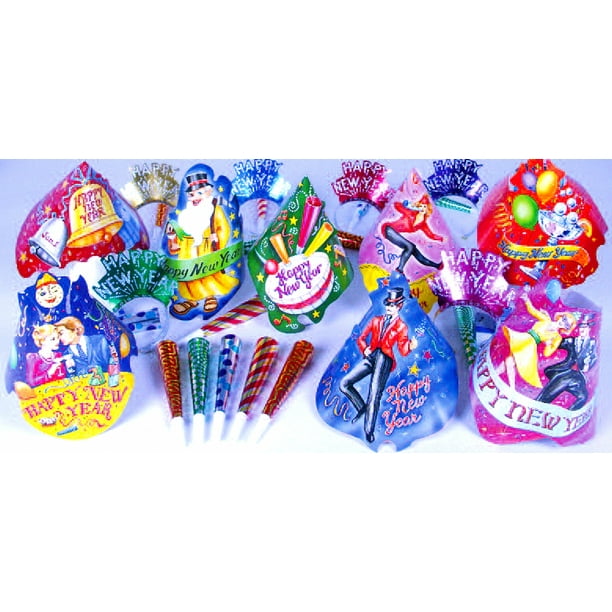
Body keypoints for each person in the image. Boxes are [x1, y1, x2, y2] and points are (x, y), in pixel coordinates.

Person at [340, 287, 417, 443]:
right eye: (388, 304)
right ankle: (362, 408)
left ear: (399, 306)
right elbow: (361, 338)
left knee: (374, 394)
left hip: (385, 359)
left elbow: (402, 350)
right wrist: (365, 349)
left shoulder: (401, 326)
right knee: (344, 383)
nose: (389, 308)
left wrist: (410, 346)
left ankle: (368, 430)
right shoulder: (376, 320)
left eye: (393, 305)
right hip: (372, 355)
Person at [167, 171, 239, 317]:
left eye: (199, 193)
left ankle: (209, 296)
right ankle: (191, 300)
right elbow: (182, 230)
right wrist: (175, 238)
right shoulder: (187, 213)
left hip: (207, 247)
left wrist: (217, 239)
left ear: (208, 192)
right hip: (188, 248)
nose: (195, 197)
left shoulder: (214, 209)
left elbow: (223, 227)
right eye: (191, 194)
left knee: (209, 275)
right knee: (190, 277)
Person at [502, 295, 577, 389]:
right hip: (524, 338)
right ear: (561, 316)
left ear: (567, 328)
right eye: (564, 319)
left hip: (530, 346)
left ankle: (511, 388)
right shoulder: (546, 319)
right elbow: (533, 311)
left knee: (510, 362)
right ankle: (506, 384)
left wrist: (548, 344)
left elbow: (547, 353)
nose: (563, 322)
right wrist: (527, 300)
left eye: (566, 324)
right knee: (509, 361)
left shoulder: (557, 337)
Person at [536, 314, 597, 410]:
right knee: (548, 395)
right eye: (581, 327)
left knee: (583, 397)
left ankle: (568, 414)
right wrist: (548, 336)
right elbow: (557, 343)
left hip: (578, 377)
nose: (582, 329)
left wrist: (588, 365)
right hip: (566, 373)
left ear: (589, 329)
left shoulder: (593, 343)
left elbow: (594, 357)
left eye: (585, 327)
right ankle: (536, 408)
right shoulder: (571, 341)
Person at [380, 194, 443, 276]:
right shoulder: (410, 213)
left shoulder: (422, 224)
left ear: (427, 209)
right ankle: (399, 270)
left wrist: (441, 238)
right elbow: (396, 205)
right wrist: (406, 204)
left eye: (424, 207)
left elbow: (431, 235)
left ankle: (437, 265)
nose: (422, 208)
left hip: (394, 233)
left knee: (413, 248)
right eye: (421, 206)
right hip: (388, 229)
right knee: (409, 246)